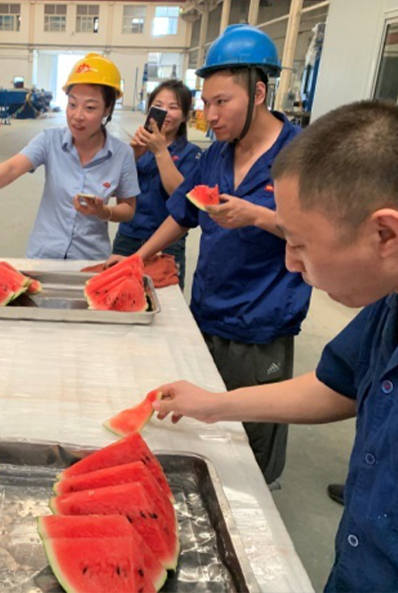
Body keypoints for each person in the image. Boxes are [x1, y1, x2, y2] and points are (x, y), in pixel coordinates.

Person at [152, 100, 398, 592]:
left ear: (385, 233)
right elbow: (336, 385)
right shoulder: (395, 301)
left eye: (299, 244)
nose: (292, 265)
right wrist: (214, 404)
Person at [109, 25, 313, 486]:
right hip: (205, 314)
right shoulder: (217, 155)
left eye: (222, 102)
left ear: (258, 93)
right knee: (206, 431)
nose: (211, 115)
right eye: (205, 102)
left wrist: (259, 216)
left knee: (251, 444)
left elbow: (324, 235)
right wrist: (136, 258)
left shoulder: (301, 155)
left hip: (259, 327)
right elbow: (182, 212)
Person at [0, 53, 139, 260]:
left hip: (89, 259)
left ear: (107, 109)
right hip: (43, 255)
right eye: (72, 104)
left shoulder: (122, 154)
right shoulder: (49, 140)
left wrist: (103, 212)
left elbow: (128, 208)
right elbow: (14, 166)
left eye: (90, 107)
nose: (78, 116)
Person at [113, 79, 201, 288]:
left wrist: (160, 151)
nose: (165, 113)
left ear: (185, 116)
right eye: (158, 106)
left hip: (168, 244)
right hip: (128, 237)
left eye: (173, 107)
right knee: (118, 293)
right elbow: (113, 189)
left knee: (166, 299)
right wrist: (132, 155)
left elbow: (182, 197)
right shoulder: (136, 147)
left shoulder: (192, 154)